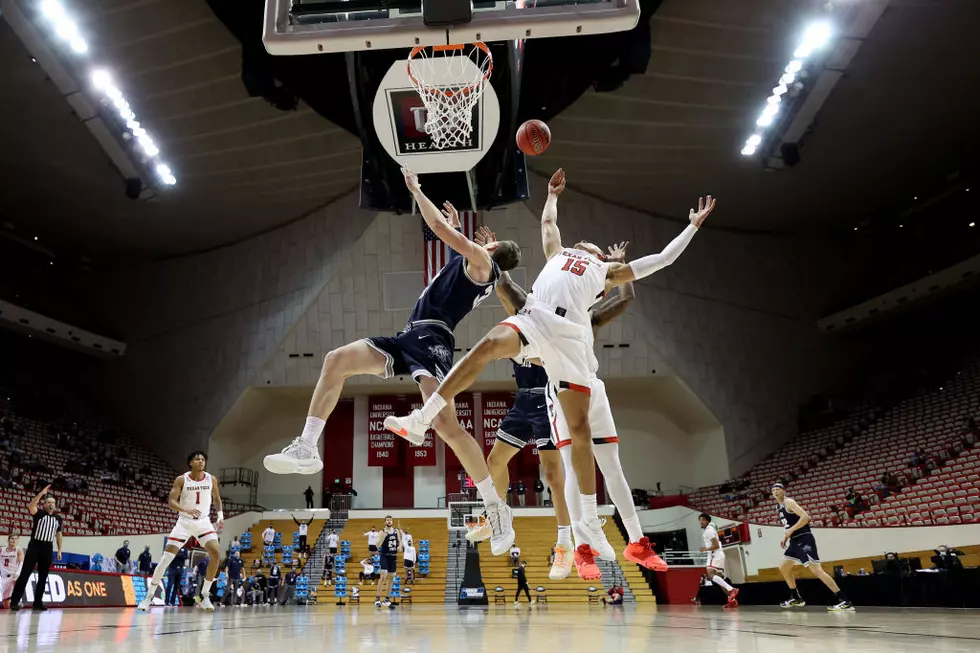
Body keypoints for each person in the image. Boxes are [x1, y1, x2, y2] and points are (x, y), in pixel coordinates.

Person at [386, 168, 713, 565]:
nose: (585, 244)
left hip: (571, 338)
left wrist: (691, 227)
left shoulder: (606, 272)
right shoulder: (558, 254)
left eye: (590, 245)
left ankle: (587, 525)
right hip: (535, 317)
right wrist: (553, 195)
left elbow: (660, 260)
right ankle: (426, 415)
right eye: (583, 242)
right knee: (486, 346)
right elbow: (546, 222)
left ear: (599, 255)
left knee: (579, 432)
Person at [264, 167, 522, 556]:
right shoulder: (475, 264)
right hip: (410, 335)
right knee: (336, 361)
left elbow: (437, 227)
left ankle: (495, 509)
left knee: (449, 428)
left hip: (433, 337)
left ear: (492, 250)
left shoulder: (484, 265)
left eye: (488, 242)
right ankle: (306, 446)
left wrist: (417, 191)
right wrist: (459, 233)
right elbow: (454, 244)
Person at [475, 234, 666, 580]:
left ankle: (573, 544)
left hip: (570, 390)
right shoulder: (529, 307)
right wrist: (495, 256)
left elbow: (624, 297)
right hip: (534, 394)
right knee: (511, 463)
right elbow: (504, 286)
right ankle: (503, 517)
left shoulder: (583, 320)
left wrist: (619, 268)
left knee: (565, 473)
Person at [138, 451, 224, 612]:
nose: (201, 461)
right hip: (184, 522)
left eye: (203, 459)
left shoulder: (211, 479)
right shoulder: (181, 479)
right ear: (190, 462)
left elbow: (217, 499)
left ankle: (205, 595)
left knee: (216, 554)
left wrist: (220, 516)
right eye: (197, 459)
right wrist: (186, 509)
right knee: (165, 559)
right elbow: (171, 502)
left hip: (204, 521)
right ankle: (148, 597)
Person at [772, 483, 854, 611]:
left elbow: (806, 517)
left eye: (778, 489)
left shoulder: (789, 502)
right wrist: (785, 537)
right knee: (783, 567)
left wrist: (791, 531)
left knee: (817, 571)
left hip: (804, 538)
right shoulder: (778, 506)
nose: (775, 492)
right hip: (794, 541)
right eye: (773, 490)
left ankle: (844, 600)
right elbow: (789, 525)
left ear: (783, 491)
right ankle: (796, 597)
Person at [8, 486, 63, 611]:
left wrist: (60, 549)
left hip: (48, 547)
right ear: (44, 505)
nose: (51, 504)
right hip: (35, 545)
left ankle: (37, 602)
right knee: (25, 573)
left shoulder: (58, 518)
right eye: (49, 502)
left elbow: (59, 534)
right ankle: (14, 602)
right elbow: (31, 505)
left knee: (43, 576)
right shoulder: (38, 514)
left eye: (53, 502)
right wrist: (41, 494)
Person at [697, 513, 739, 607]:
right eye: (700, 520)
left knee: (710, 575)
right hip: (718, 554)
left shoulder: (709, 531)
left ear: (707, 521)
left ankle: (732, 589)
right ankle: (732, 601)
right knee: (719, 581)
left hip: (714, 554)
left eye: (703, 520)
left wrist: (704, 549)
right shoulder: (710, 529)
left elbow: (715, 545)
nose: (701, 522)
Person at [374, 515, 401, 609]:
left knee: (391, 578)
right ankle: (377, 598)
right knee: (383, 575)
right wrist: (382, 538)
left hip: (393, 557)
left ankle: (387, 599)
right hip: (384, 556)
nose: (389, 521)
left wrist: (400, 547)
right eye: (387, 520)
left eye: (390, 520)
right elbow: (377, 545)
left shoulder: (396, 531)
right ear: (385, 522)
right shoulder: (382, 531)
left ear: (392, 521)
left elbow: (400, 542)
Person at [1, 534, 24, 609]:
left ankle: (17, 602)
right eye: (12, 538)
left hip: (14, 576)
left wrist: (18, 573)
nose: (14, 540)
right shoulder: (2, 549)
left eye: (16, 539)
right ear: (8, 540)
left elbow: (21, 563)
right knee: (5, 602)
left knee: (14, 599)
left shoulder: (18, 550)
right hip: (4, 577)